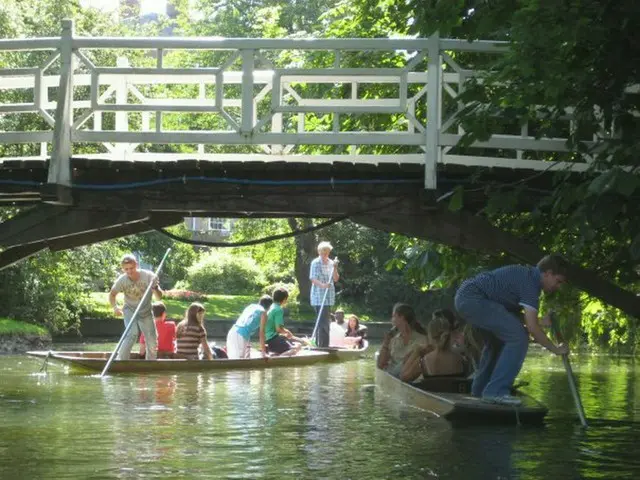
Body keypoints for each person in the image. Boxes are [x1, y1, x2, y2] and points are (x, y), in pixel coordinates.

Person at [454, 254, 570, 406]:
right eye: (558, 281)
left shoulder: (528, 277)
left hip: (468, 299)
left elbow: (511, 315)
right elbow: (532, 328)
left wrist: (541, 321)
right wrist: (555, 349)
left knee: (498, 343)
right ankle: (496, 392)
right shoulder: (530, 284)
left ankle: (480, 390)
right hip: (474, 299)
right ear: (547, 273)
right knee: (519, 337)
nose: (558, 286)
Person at [108, 254, 163, 360]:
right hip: (130, 310)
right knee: (132, 334)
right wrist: (115, 307)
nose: (129, 271)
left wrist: (155, 288)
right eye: (126, 269)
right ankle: (121, 361)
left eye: (131, 268)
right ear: (122, 269)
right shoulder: (122, 280)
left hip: (146, 311)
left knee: (151, 338)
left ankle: (150, 363)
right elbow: (112, 294)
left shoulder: (149, 276)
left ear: (136, 265)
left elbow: (159, 297)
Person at [400, 309, 465, 382]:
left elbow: (403, 377)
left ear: (431, 337)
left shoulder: (425, 360)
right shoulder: (462, 360)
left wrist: (416, 353)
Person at [377, 303, 429, 378]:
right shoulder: (393, 340)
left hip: (410, 378)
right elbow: (380, 365)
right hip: (393, 376)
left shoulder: (422, 339)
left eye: (393, 316)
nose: (391, 319)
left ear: (402, 317)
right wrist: (386, 342)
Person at [309, 241, 340, 347]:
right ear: (319, 252)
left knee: (324, 321)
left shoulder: (332, 263)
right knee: (323, 322)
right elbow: (313, 278)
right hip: (318, 296)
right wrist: (322, 285)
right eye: (323, 252)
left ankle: (321, 344)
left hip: (329, 296)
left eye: (327, 252)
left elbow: (335, 279)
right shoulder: (315, 262)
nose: (325, 254)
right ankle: (323, 345)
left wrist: (335, 268)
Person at [260, 287, 307, 356]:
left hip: (266, 339)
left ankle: (275, 354)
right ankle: (277, 360)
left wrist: (285, 333)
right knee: (297, 347)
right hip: (272, 340)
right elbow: (278, 329)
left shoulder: (271, 306)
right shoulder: (278, 309)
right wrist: (287, 332)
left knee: (289, 342)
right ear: (284, 299)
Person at [226, 295, 274, 359]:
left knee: (244, 359)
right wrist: (264, 352)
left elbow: (247, 324)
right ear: (269, 307)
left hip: (233, 331)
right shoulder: (263, 313)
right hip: (240, 336)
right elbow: (262, 333)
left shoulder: (251, 306)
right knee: (238, 362)